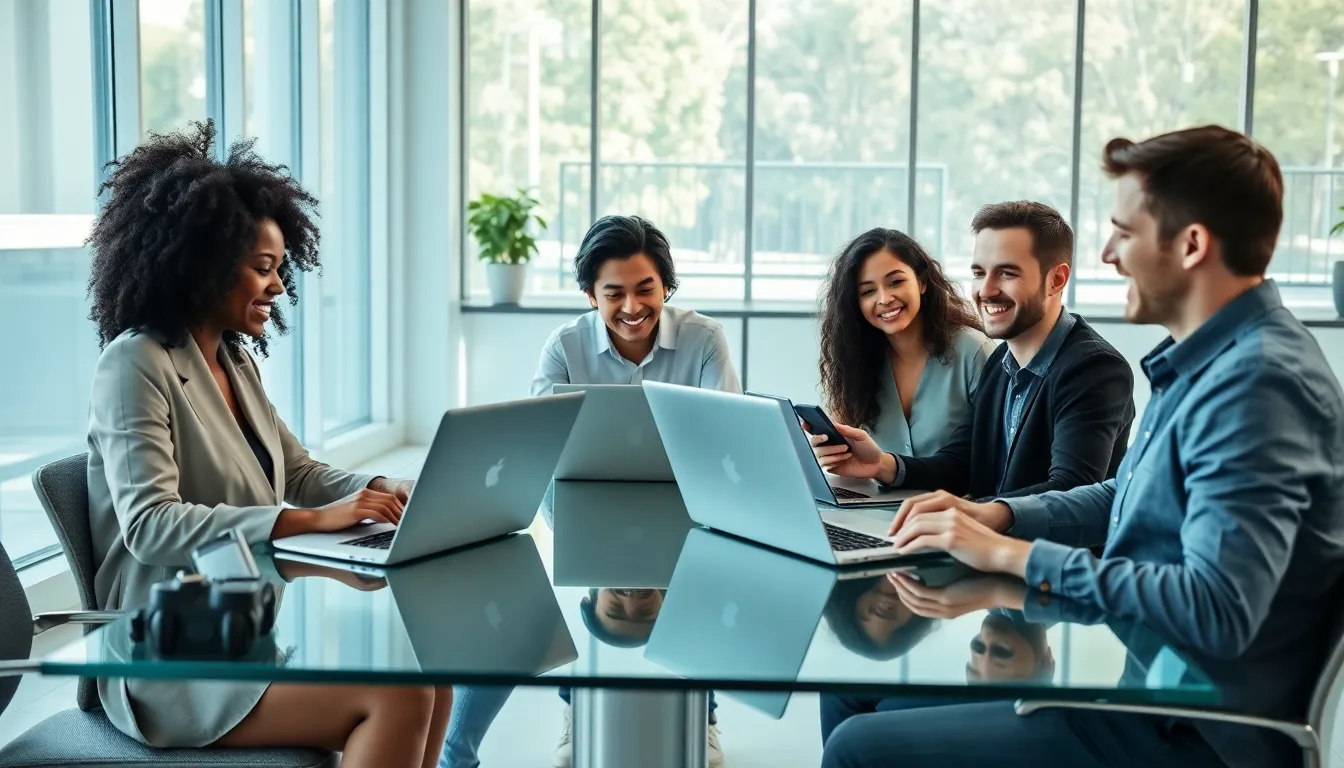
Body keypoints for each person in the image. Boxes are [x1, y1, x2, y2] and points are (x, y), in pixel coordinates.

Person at [823, 126, 1344, 768]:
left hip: (1190, 731)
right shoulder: (1214, 363)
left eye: (1124, 232)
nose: (1107, 253)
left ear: (1191, 245)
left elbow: (1214, 610)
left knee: (856, 748)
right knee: (850, 692)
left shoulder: (1258, 384)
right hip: (1149, 692)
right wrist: (1001, 518)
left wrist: (1013, 556)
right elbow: (1124, 497)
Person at [84, 120, 450, 768]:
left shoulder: (233, 360)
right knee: (395, 696)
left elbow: (300, 470)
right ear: (203, 265)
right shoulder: (134, 363)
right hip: (165, 647)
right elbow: (150, 524)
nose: (280, 286)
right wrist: (308, 521)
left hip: (246, 625)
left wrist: (377, 490)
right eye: (263, 268)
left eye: (281, 267)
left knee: (433, 663)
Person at [443, 214, 731, 768]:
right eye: (613, 292)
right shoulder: (565, 344)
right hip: (579, 498)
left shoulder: (704, 339)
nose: (631, 306)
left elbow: (724, 440)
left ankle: (705, 713)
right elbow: (538, 442)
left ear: (666, 286)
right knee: (520, 596)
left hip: (682, 500)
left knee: (700, 587)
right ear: (589, 294)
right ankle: (458, 753)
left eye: (645, 288)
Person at [812, 203, 1135, 503]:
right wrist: (880, 465)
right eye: (980, 273)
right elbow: (960, 463)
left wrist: (965, 517)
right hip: (986, 550)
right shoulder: (1002, 364)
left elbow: (1069, 493)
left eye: (1007, 273)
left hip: (1047, 561)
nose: (986, 290)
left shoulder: (1094, 368)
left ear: (1056, 279)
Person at [816, 228, 995, 459]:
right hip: (877, 494)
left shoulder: (974, 351)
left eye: (895, 282)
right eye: (868, 291)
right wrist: (832, 452)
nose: (884, 299)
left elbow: (996, 454)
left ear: (922, 282)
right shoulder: (856, 361)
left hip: (961, 495)